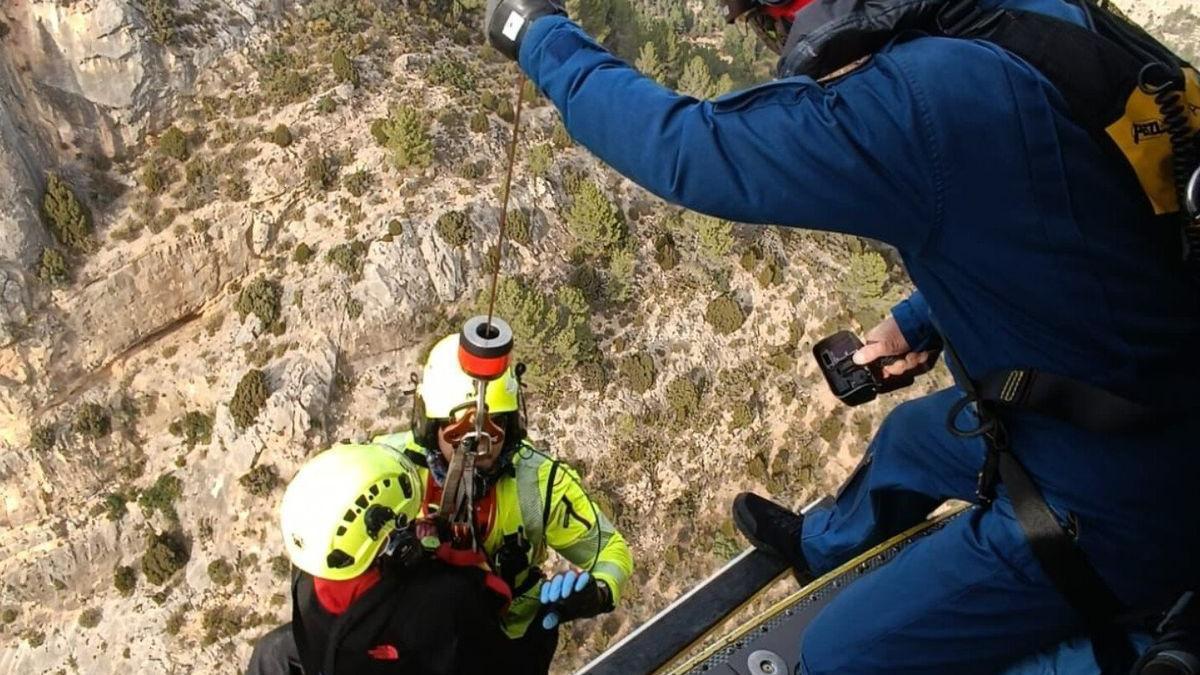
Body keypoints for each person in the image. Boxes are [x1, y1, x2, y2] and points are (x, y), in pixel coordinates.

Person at [480, 0, 1200, 672]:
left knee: (836, 653)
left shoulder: (920, 99)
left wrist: (537, 32)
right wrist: (918, 320)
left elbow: (691, 153)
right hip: (1133, 394)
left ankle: (1131, 638)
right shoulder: (1014, 24)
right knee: (911, 440)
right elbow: (1074, 223)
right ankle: (818, 550)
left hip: (1112, 503)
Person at [371, 332, 633, 673]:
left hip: (508, 645)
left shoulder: (538, 484)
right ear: (428, 425)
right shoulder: (386, 470)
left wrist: (596, 593)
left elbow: (611, 550)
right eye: (458, 430)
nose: (480, 445)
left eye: (495, 427)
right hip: (413, 643)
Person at [245, 443, 509, 675]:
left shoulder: (307, 576)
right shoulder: (440, 600)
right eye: (403, 523)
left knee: (272, 651)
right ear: (387, 545)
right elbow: (496, 598)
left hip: (332, 659)